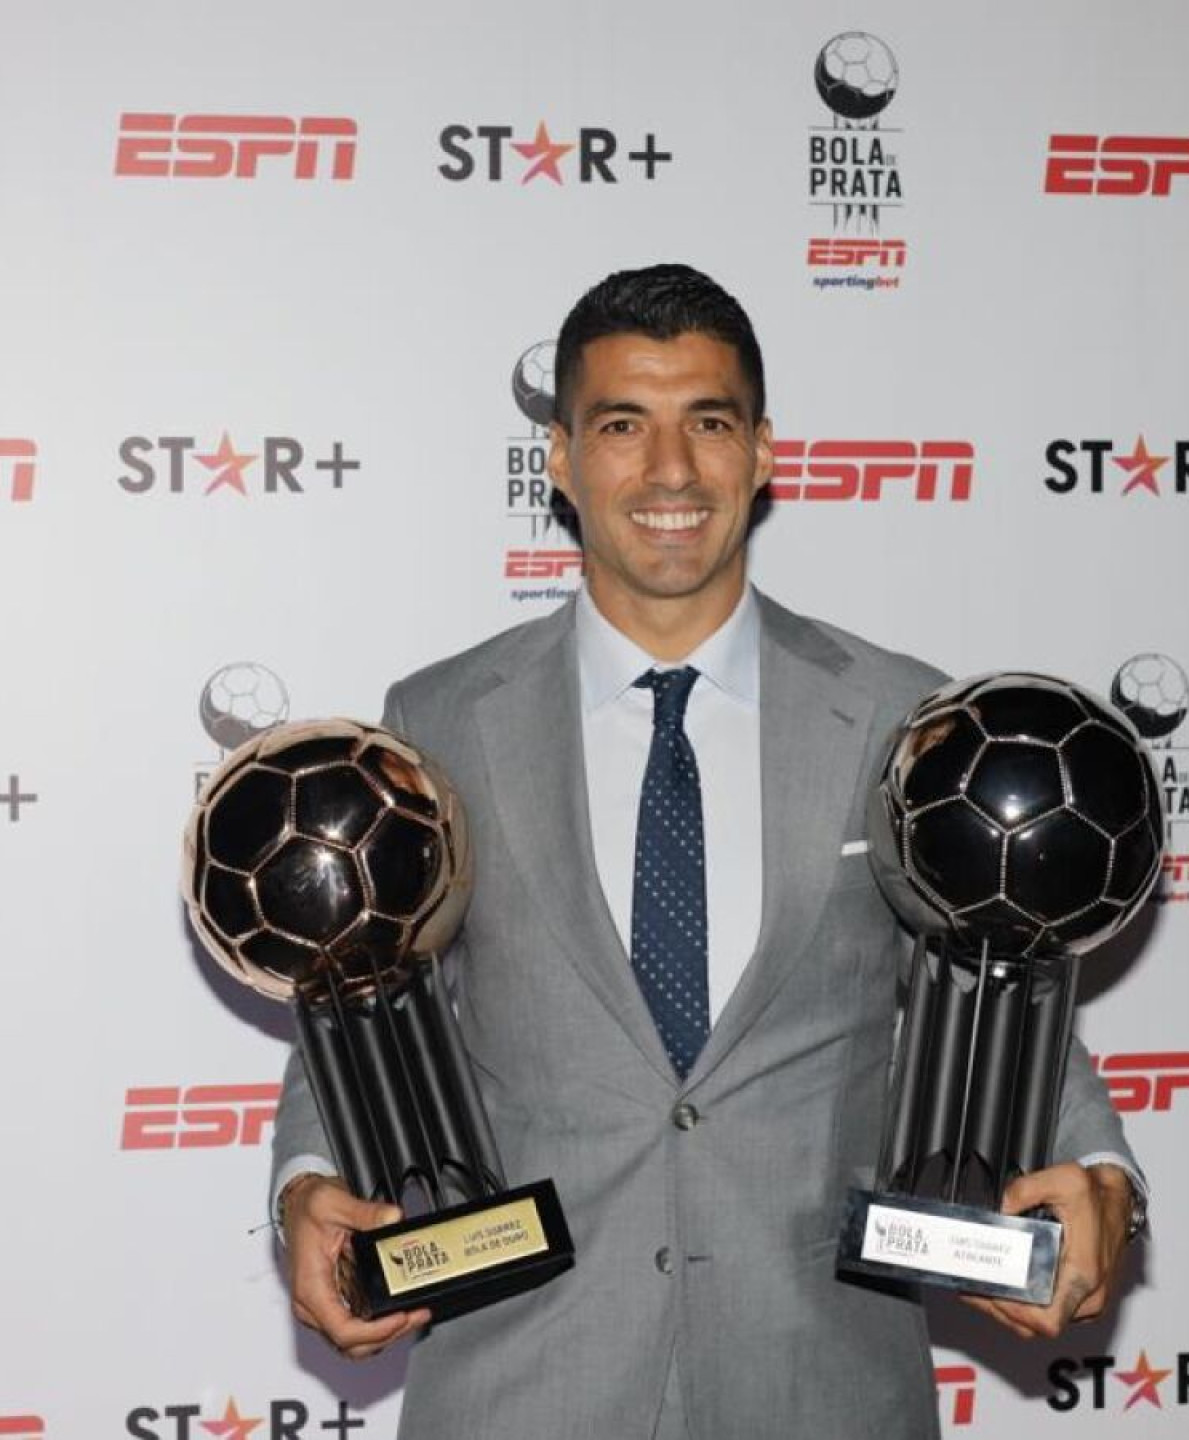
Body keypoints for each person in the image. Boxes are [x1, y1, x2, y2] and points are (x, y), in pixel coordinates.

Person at [269, 264, 1144, 1439]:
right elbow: (360, 998)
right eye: (623, 425)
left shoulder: (902, 715)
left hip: (819, 1385)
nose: (671, 472)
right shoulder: (435, 722)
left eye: (710, 423)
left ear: (765, 452)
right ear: (563, 461)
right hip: (523, 1388)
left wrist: (1103, 1183)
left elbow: (1010, 981)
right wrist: (307, 1188)